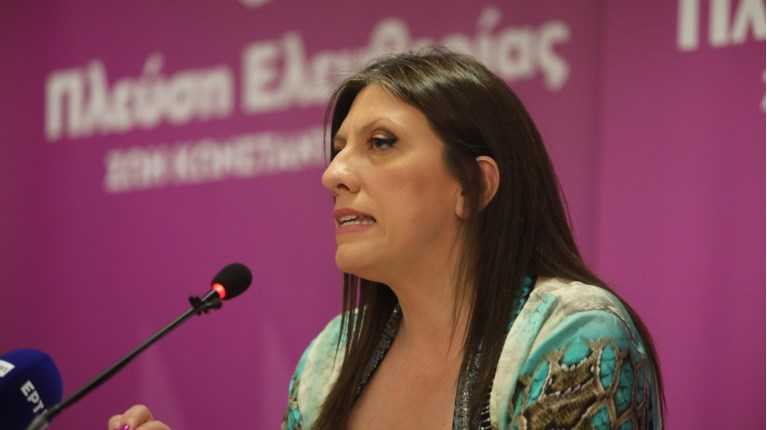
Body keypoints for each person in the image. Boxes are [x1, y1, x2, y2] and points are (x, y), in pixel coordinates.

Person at [108, 49, 664, 430]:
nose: (333, 174)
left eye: (380, 143)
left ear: (473, 186)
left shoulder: (573, 339)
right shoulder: (330, 360)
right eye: (339, 150)